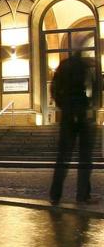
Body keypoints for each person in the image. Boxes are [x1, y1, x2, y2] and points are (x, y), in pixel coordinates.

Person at [49, 49, 97, 205]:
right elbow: (94, 88)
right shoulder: (85, 66)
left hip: (68, 115)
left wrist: (62, 105)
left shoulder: (63, 66)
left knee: (63, 157)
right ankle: (83, 195)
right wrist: (91, 106)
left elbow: (54, 88)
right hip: (82, 115)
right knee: (84, 158)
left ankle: (55, 194)